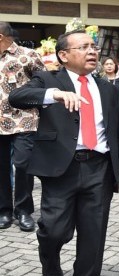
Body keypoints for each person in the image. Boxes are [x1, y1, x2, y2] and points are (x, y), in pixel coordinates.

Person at [9, 30, 119, 276]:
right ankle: (51, 266)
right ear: (63, 55)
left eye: (93, 46)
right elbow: (17, 97)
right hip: (61, 169)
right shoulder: (47, 79)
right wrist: (54, 95)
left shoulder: (108, 89)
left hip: (99, 168)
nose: (92, 51)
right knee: (54, 231)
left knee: (93, 236)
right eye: (84, 47)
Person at [0, 22, 45, 232]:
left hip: (24, 119)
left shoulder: (28, 55)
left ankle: (24, 210)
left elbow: (44, 80)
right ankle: (4, 210)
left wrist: (28, 93)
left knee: (23, 164)